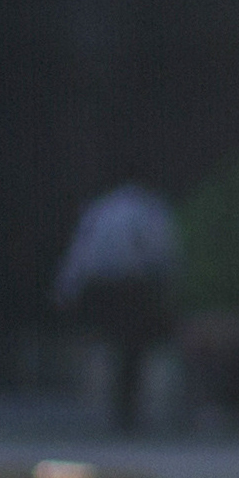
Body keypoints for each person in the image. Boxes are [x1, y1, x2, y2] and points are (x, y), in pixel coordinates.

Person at [52, 183, 181, 431]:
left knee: (125, 349)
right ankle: (123, 406)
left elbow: (80, 255)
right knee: (129, 350)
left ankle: (124, 406)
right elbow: (164, 252)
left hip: (116, 287)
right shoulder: (147, 209)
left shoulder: (102, 209)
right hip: (127, 287)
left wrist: (66, 289)